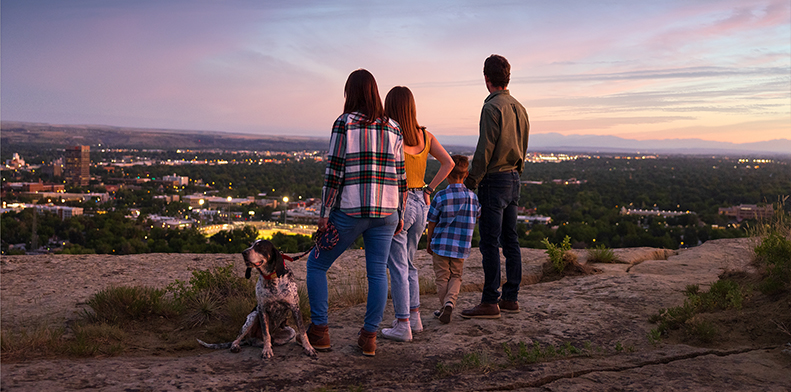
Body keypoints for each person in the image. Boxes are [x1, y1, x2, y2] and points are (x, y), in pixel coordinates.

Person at [305, 69, 407, 357]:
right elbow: (401, 177)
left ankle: (320, 331)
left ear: (350, 93)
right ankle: (369, 337)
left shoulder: (344, 124)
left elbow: (334, 171)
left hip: (351, 209)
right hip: (386, 211)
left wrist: (324, 213)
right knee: (377, 272)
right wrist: (399, 213)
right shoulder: (394, 127)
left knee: (316, 265)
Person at [380, 86, 454, 342]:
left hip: (398, 205)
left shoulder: (390, 135)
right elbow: (449, 163)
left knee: (398, 265)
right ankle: (414, 318)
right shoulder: (425, 136)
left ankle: (403, 325)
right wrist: (430, 188)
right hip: (421, 204)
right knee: (409, 263)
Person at [461, 54, 529, 319]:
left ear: (486, 78)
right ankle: (511, 297)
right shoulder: (519, 107)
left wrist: (471, 180)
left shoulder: (492, 108)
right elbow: (523, 145)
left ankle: (490, 301)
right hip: (514, 177)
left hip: (494, 180)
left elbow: (485, 148)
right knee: (510, 239)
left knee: (489, 242)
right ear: (507, 77)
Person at [426, 155, 480, 324]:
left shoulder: (440, 196)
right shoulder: (473, 197)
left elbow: (432, 222)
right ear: (466, 175)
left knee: (442, 278)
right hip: (461, 246)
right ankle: (450, 303)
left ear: (447, 173)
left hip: (441, 244)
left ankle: (445, 307)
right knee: (456, 276)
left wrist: (429, 242)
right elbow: (477, 215)